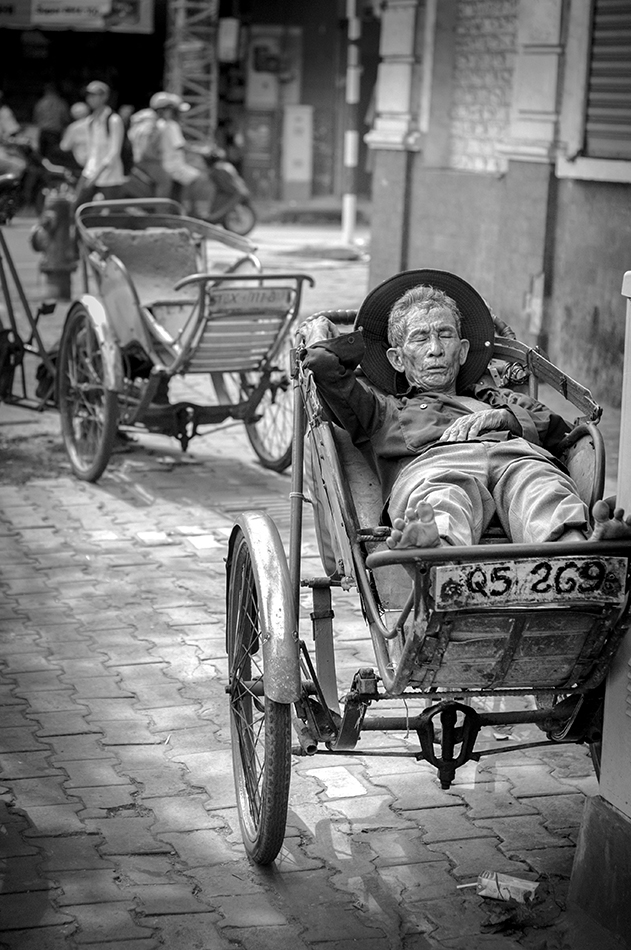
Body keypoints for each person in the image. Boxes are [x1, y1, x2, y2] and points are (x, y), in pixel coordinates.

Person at [299, 269, 631, 553]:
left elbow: (562, 431)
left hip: (515, 456)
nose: (435, 349)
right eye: (420, 339)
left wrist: (503, 416)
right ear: (397, 359)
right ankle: (433, 543)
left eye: (445, 335)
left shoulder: (498, 399)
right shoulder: (382, 410)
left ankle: (576, 547)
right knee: (442, 497)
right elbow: (322, 365)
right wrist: (324, 335)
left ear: (462, 351)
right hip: (438, 467)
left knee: (542, 486)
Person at [150, 91, 215, 217]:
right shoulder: (171, 125)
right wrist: (202, 150)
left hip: (165, 163)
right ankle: (191, 212)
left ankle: (179, 208)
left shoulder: (160, 125)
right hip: (173, 165)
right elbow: (181, 146)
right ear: (167, 110)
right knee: (197, 179)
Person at [74, 80, 127, 208]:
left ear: (105, 97)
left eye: (95, 95)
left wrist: (97, 174)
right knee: (77, 208)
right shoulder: (91, 121)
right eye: (89, 95)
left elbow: (114, 152)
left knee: (113, 214)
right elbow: (91, 150)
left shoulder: (113, 120)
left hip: (110, 177)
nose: (91, 99)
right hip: (90, 172)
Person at [127, 106, 172, 198]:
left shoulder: (140, 121)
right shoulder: (151, 124)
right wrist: (156, 158)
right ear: (161, 110)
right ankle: (161, 210)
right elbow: (145, 148)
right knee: (165, 181)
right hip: (146, 160)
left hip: (135, 158)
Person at [32, 83, 70, 160]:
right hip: (55, 133)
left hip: (43, 132)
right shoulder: (60, 103)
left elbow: (35, 118)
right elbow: (66, 119)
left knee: (42, 157)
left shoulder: (40, 103)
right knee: (54, 158)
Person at [59, 102, 90, 171]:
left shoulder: (73, 127)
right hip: (96, 160)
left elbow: (65, 147)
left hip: (80, 162)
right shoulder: (96, 124)